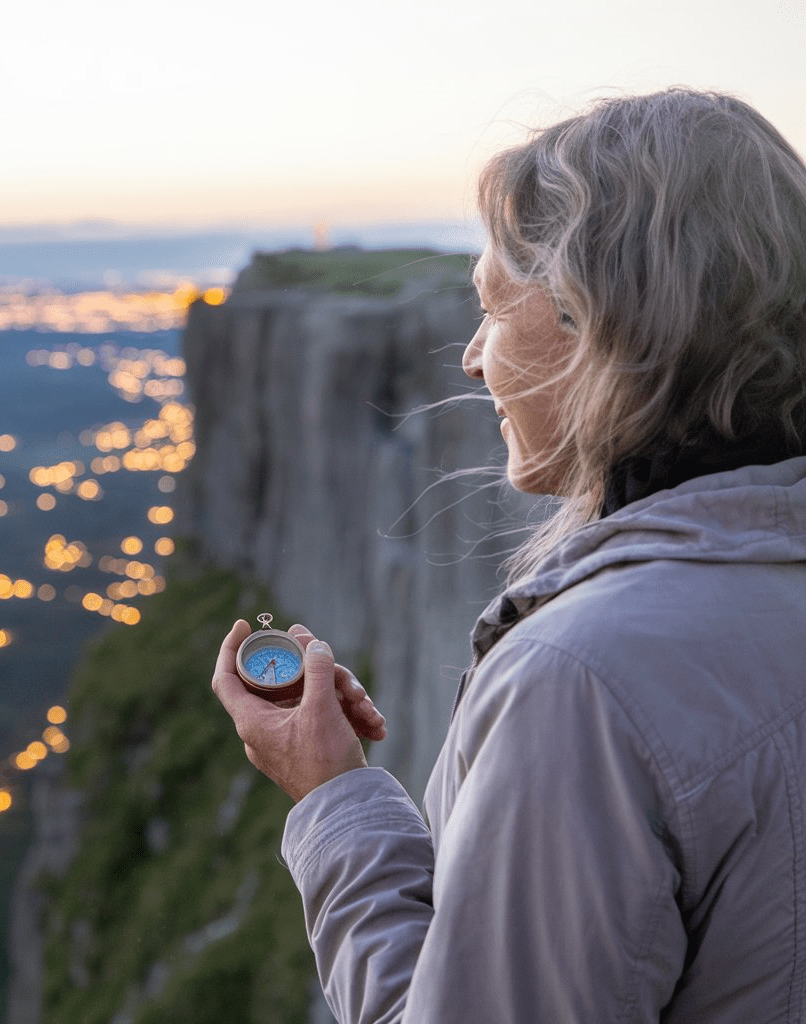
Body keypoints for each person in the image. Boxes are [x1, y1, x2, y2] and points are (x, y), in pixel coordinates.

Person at [212, 88, 806, 1022]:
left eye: (492, 307)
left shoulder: (585, 681)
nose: (473, 360)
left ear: (599, 324)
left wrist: (332, 799)